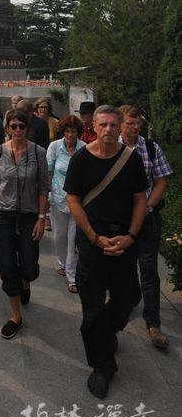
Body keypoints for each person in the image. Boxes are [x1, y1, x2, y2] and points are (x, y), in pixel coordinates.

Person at [64, 105, 148, 399]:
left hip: (124, 239)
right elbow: (73, 200)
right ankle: (102, 366)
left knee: (128, 298)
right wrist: (94, 237)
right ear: (94, 128)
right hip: (93, 241)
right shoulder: (81, 159)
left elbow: (140, 199)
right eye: (104, 125)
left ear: (121, 126)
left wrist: (131, 236)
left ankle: (107, 331)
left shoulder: (131, 159)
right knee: (93, 307)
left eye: (114, 124)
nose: (109, 130)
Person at [0, 110, 50, 340]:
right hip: (3, 215)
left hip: (29, 216)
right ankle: (15, 315)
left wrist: (42, 218)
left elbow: (43, 187)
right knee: (7, 265)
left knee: (30, 267)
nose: (18, 130)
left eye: (22, 126)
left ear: (27, 128)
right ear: (7, 128)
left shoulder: (39, 152)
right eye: (14, 126)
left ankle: (25, 282)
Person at [119, 104, 173, 349]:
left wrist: (149, 207)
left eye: (138, 123)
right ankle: (127, 302)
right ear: (121, 124)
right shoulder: (111, 147)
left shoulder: (150, 148)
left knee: (149, 268)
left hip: (148, 217)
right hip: (120, 219)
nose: (135, 127)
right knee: (123, 266)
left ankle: (153, 323)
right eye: (130, 123)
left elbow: (161, 181)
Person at [46, 115, 85, 293]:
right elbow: (48, 172)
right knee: (60, 235)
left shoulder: (84, 148)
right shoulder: (54, 147)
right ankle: (61, 262)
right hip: (58, 198)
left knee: (72, 238)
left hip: (78, 200)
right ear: (63, 132)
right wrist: (47, 195)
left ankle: (72, 276)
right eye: (67, 131)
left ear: (78, 132)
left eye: (73, 131)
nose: (70, 135)